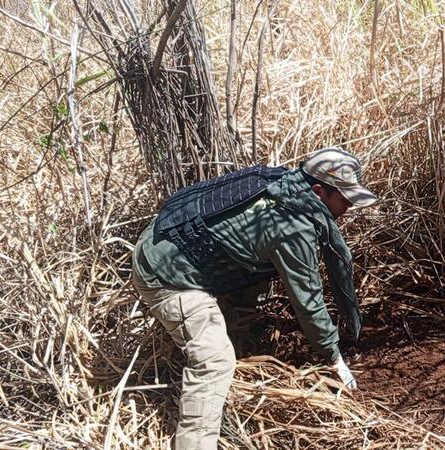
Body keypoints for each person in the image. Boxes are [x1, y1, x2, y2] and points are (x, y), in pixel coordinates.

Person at [131, 147, 377, 449]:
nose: (350, 205)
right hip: (165, 276)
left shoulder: (283, 183)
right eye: (345, 198)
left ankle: (240, 329)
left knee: (258, 278)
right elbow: (308, 301)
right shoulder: (292, 229)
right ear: (318, 191)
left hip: (166, 240)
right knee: (215, 361)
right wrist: (333, 357)